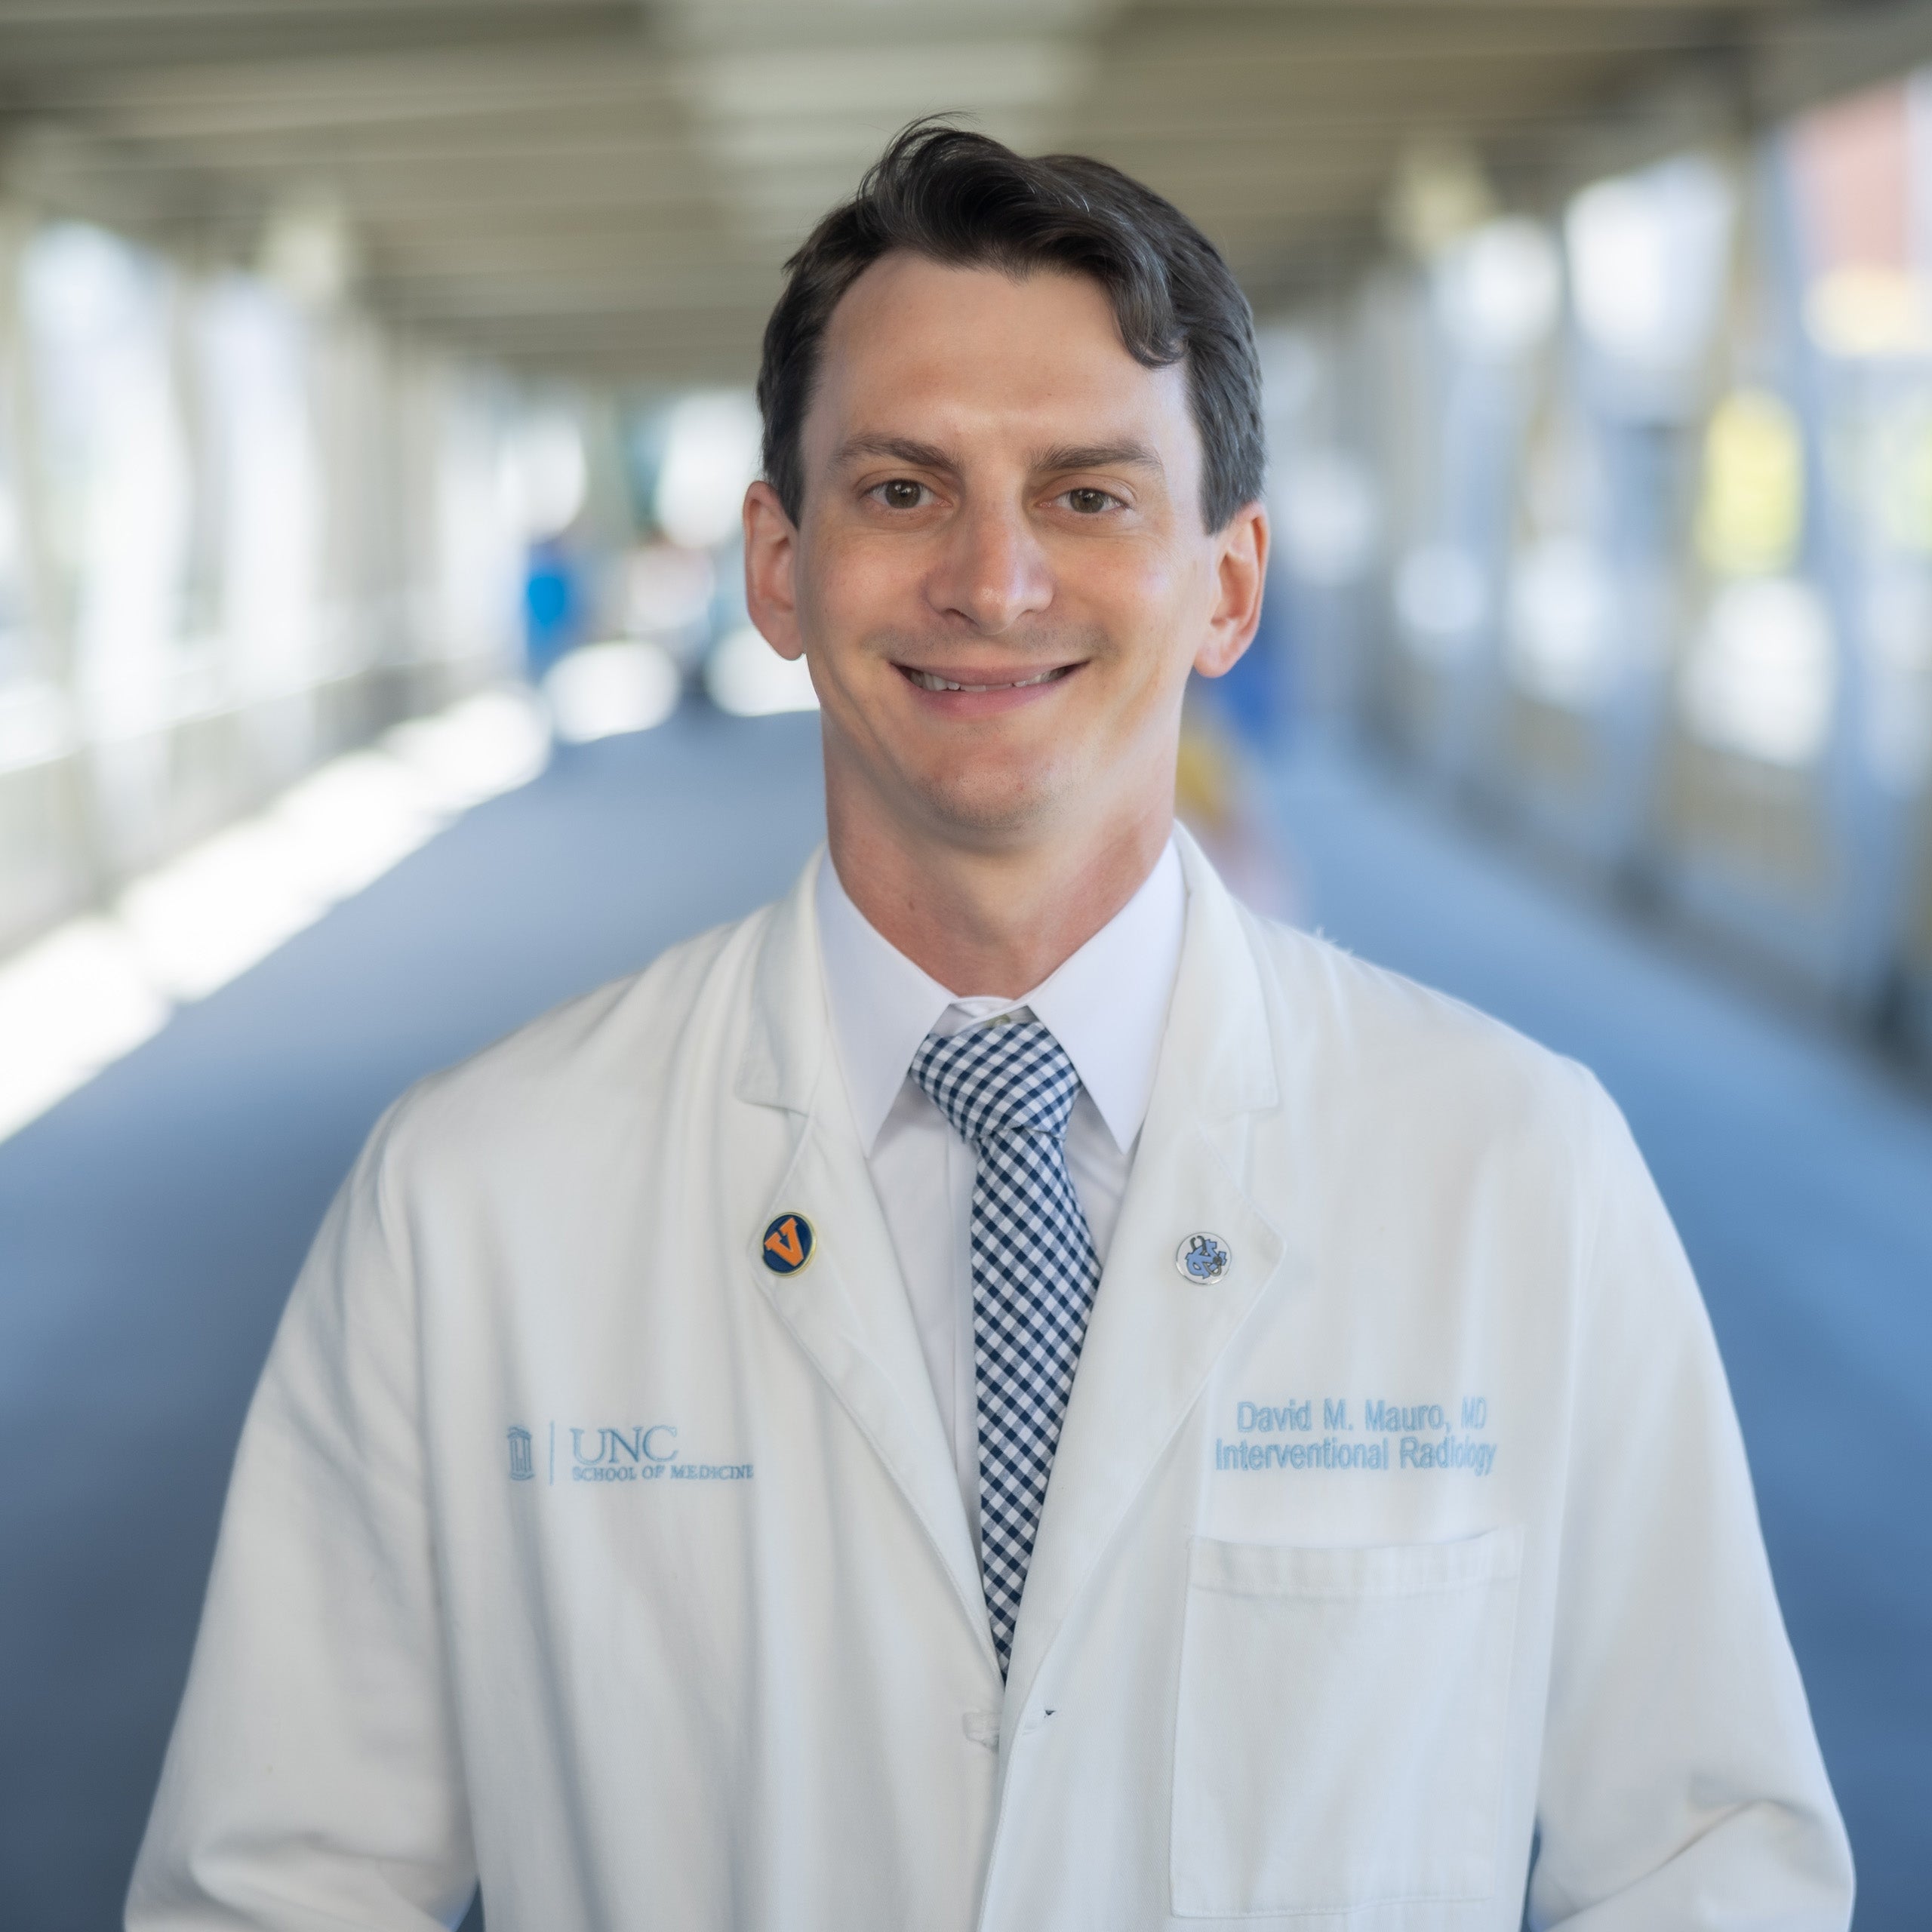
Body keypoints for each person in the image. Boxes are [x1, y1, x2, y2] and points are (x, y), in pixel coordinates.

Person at [129, 123, 1852, 1930]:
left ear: (1228, 585)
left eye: (1088, 494)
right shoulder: (473, 1198)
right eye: (900, 489)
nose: (994, 579)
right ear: (779, 566)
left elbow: (1701, 1859)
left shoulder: (1513, 1168)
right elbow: (275, 1887)